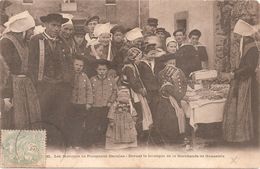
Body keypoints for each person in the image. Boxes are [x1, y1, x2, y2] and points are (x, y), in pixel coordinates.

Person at [28, 13, 73, 146]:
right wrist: (37, 81)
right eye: (54, 25)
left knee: (59, 116)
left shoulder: (62, 41)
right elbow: (31, 64)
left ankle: (57, 146)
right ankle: (42, 145)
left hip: (61, 86)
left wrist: (68, 81)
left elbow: (69, 63)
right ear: (45, 25)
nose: (57, 29)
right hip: (43, 86)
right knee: (42, 115)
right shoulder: (36, 40)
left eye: (59, 26)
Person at [0, 11, 41, 129]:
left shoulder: (24, 43)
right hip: (12, 88)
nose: (32, 33)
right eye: (31, 30)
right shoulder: (5, 42)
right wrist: (6, 95)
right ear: (23, 30)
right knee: (13, 119)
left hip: (25, 86)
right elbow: (3, 71)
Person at [222, 20, 259, 144]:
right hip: (241, 80)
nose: (237, 38)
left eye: (239, 36)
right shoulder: (246, 46)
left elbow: (249, 67)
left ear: (245, 37)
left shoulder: (253, 48)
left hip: (247, 82)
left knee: (246, 108)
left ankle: (246, 136)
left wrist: (235, 73)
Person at [156, 54, 187, 144]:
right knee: (172, 117)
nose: (172, 64)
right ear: (165, 63)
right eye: (170, 62)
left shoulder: (179, 71)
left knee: (180, 114)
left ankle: (179, 136)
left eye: (174, 62)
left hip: (175, 97)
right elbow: (168, 88)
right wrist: (179, 96)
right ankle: (172, 139)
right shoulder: (162, 73)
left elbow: (183, 83)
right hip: (166, 100)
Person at [88, 59, 117, 147]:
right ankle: (93, 141)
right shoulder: (92, 80)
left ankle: (103, 142)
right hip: (95, 106)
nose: (102, 72)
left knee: (104, 124)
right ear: (96, 70)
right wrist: (90, 102)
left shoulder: (111, 80)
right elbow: (88, 91)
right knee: (94, 124)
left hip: (106, 106)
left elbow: (115, 91)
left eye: (104, 70)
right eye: (100, 70)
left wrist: (110, 101)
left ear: (107, 70)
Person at [65, 56, 93, 149]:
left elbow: (89, 90)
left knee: (79, 125)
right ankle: (69, 143)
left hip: (81, 105)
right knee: (69, 124)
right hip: (70, 104)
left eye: (81, 65)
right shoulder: (68, 76)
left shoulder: (85, 76)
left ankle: (76, 143)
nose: (78, 67)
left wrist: (89, 102)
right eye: (76, 64)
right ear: (73, 65)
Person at [105, 85, 138, 150]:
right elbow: (111, 111)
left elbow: (132, 110)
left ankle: (128, 144)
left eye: (125, 96)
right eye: (121, 96)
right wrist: (111, 120)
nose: (123, 97)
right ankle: (116, 145)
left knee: (127, 132)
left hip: (127, 120)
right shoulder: (115, 104)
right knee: (116, 132)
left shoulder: (130, 104)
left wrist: (134, 118)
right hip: (117, 120)